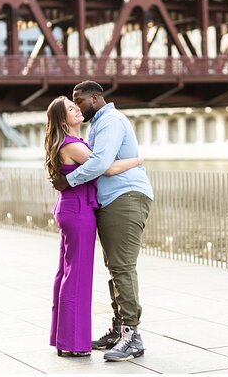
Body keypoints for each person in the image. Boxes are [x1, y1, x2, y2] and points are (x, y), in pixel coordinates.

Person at [51, 81, 154, 362]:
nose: (78, 106)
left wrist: (68, 181)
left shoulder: (110, 121)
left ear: (94, 98)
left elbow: (100, 165)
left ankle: (132, 335)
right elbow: (100, 164)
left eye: (78, 100)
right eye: (72, 104)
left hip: (125, 197)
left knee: (122, 267)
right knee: (115, 267)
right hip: (111, 201)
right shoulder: (98, 124)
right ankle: (119, 328)